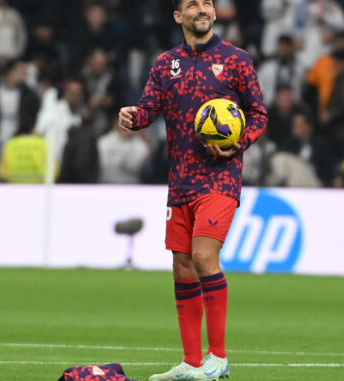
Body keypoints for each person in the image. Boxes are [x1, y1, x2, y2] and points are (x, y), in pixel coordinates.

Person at [118, 1, 267, 379]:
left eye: (207, 3)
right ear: (177, 16)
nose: (201, 8)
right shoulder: (165, 63)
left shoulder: (236, 60)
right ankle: (191, 362)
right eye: (192, 4)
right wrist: (133, 116)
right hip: (180, 181)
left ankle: (218, 358)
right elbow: (148, 109)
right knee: (182, 268)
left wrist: (241, 142)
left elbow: (259, 114)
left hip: (220, 176)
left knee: (203, 258)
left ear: (215, 14)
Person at [0, 59, 40, 182]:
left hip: (16, 144)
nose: (23, 75)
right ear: (10, 72)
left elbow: (33, 114)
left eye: (25, 72)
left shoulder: (28, 94)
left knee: (12, 182)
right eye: (20, 71)